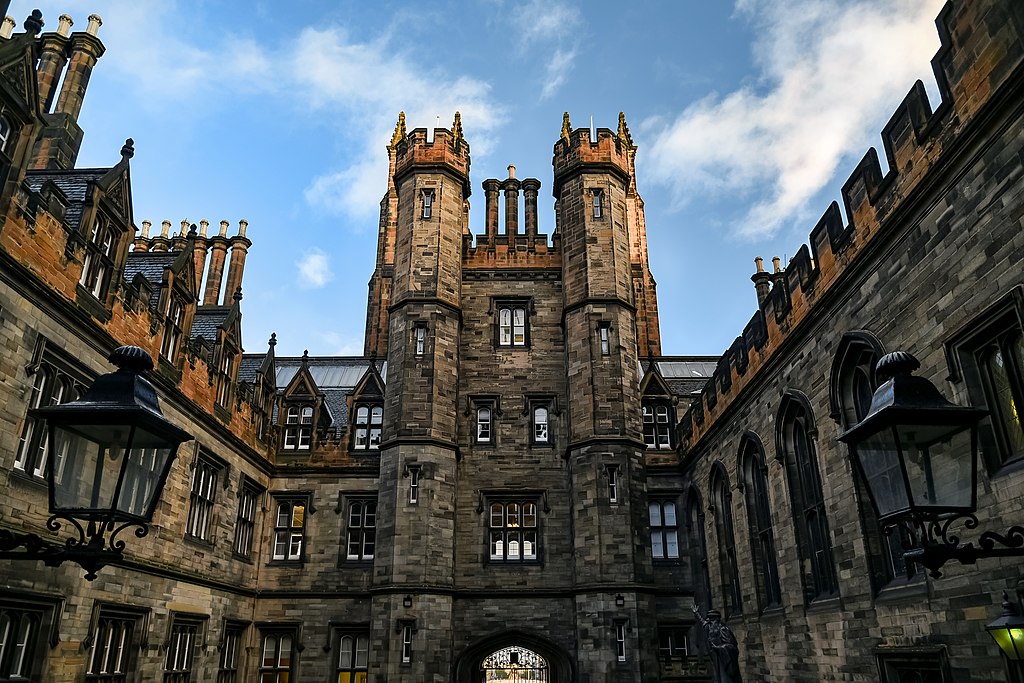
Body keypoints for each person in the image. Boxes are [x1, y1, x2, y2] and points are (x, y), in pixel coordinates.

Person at [692, 604, 742, 683]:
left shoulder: (723, 629)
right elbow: (704, 623)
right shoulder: (711, 627)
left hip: (724, 659)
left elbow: (731, 646)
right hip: (717, 658)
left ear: (716, 619)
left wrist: (718, 648)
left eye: (711, 619)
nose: (708, 621)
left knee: (725, 678)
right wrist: (697, 613)